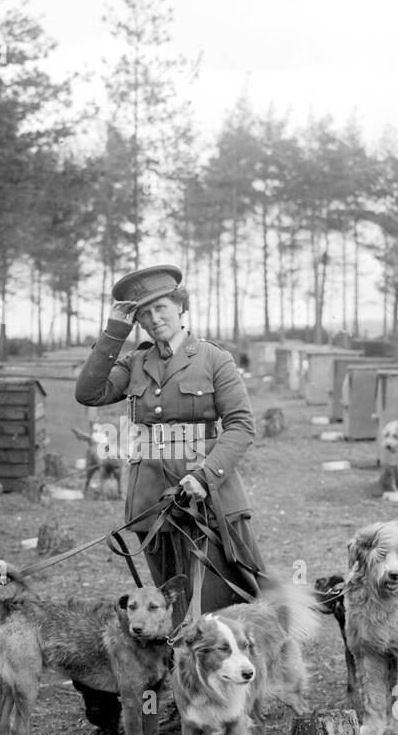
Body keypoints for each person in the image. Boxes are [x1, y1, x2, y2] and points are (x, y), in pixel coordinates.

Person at [75, 264, 266, 616]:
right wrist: (115, 331)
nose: (154, 319)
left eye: (160, 307)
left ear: (180, 305)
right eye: (144, 314)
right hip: (151, 505)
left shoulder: (213, 358)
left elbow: (241, 425)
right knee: (170, 607)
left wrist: (205, 476)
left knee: (218, 609)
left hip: (207, 504)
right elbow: (89, 393)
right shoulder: (135, 362)